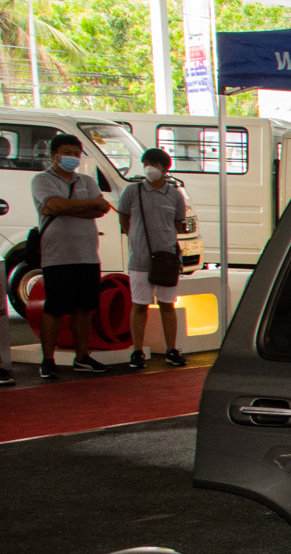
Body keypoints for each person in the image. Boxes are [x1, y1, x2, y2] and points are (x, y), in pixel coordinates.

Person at [31, 133, 111, 379]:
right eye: (67, 153)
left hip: (88, 255)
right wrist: (85, 205)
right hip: (57, 255)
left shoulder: (86, 180)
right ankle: (48, 359)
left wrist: (64, 207)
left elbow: (102, 208)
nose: (72, 158)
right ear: (54, 155)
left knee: (84, 308)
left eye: (76, 154)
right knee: (55, 308)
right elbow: (55, 205)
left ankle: (82, 357)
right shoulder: (41, 180)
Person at [118, 148, 191, 369]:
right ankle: (137, 351)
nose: (149, 168)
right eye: (146, 163)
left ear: (164, 168)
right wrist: (135, 238)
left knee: (167, 305)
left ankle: (172, 349)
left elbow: (177, 223)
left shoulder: (175, 195)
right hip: (140, 260)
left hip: (167, 259)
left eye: (154, 164)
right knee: (139, 305)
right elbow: (123, 218)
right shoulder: (133, 191)